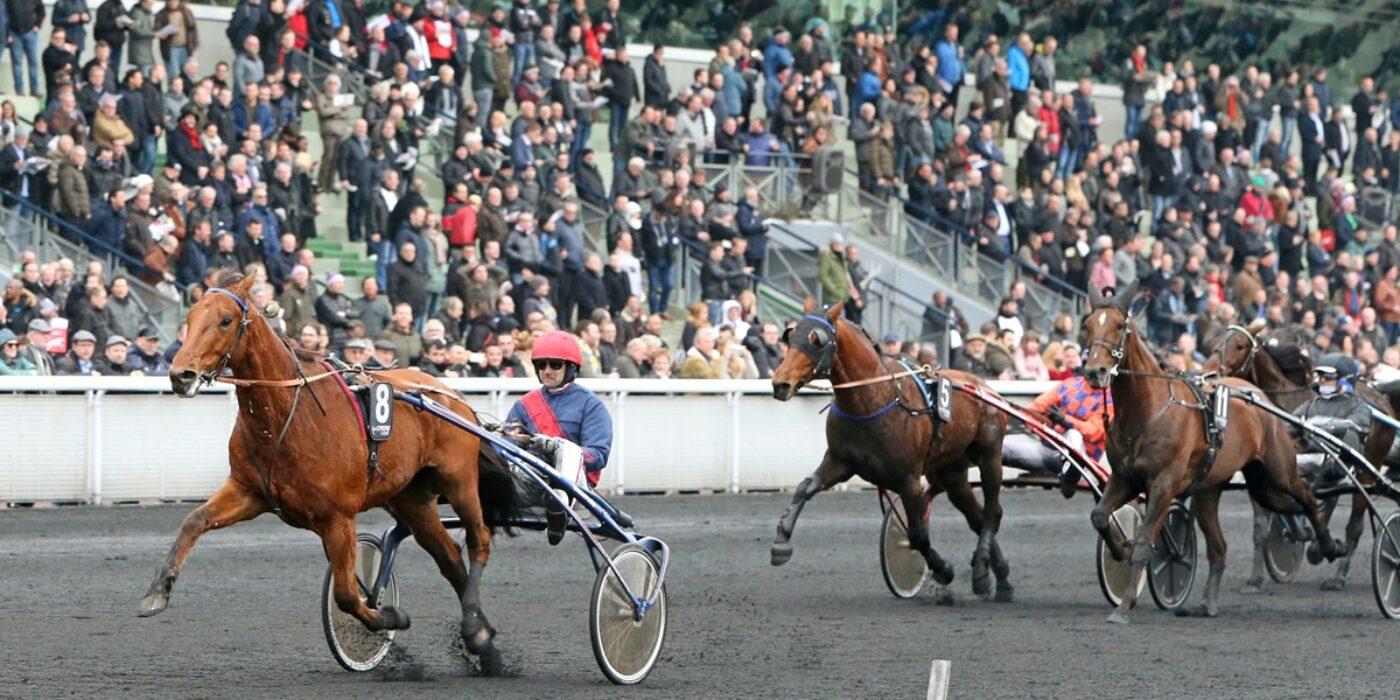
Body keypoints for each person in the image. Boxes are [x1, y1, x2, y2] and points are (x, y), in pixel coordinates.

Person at [504, 329, 613, 544]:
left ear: (571, 368)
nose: (547, 371)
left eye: (555, 364)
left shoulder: (591, 406)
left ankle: (560, 503)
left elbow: (599, 456)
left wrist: (556, 447)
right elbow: (507, 448)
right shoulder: (523, 405)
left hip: (576, 487)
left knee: (568, 450)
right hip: (532, 481)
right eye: (541, 365)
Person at [1002, 372, 1115, 497]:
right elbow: (1034, 409)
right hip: (1047, 451)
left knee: (1074, 434)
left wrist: (1065, 420)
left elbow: (1095, 432)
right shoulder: (1070, 384)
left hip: (1083, 461)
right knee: (1001, 448)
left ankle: (1071, 476)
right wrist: (1034, 419)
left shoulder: (1110, 399)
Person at [1292, 354, 1371, 490]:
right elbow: (1289, 424)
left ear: (1344, 380)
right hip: (1306, 457)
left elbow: (1356, 426)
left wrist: (1316, 423)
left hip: (1336, 463)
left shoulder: (1358, 406)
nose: (1322, 380)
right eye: (1320, 376)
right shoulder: (1310, 405)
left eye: (1328, 377)